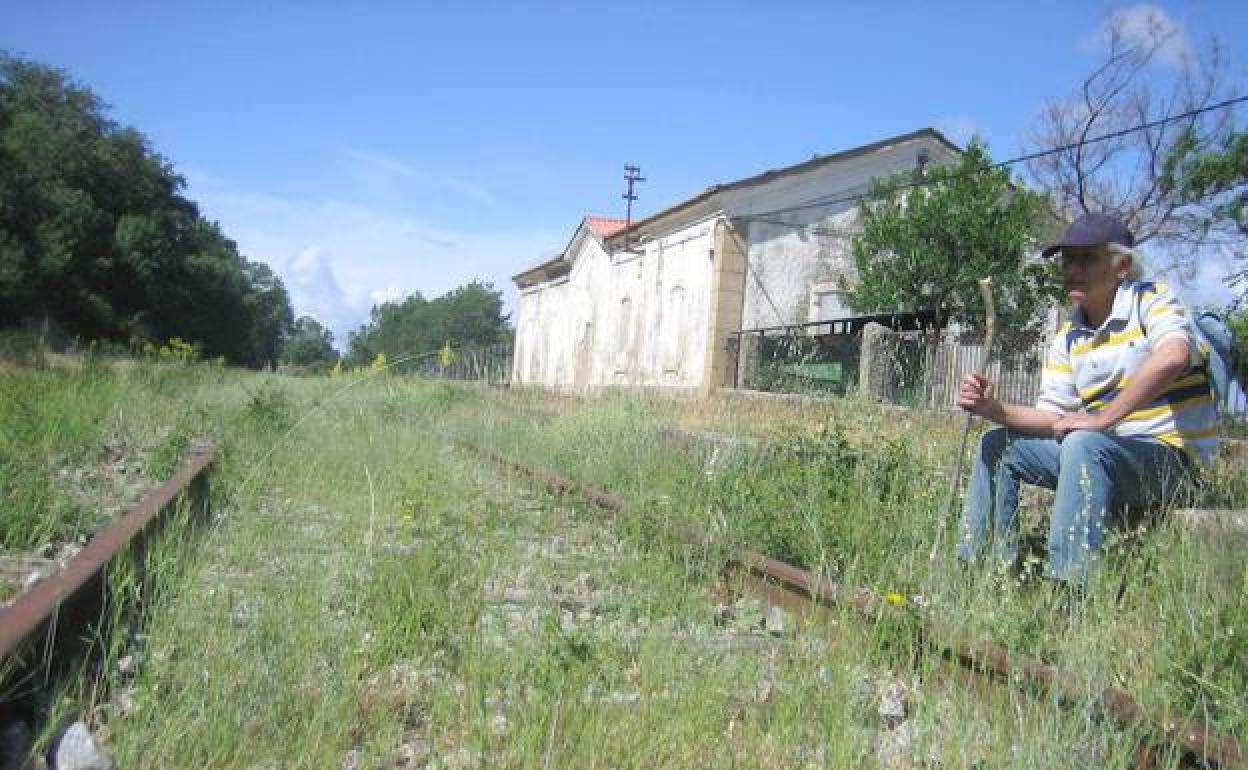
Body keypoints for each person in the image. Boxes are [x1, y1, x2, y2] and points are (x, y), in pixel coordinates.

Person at [954, 212, 1219, 590]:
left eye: (1087, 259)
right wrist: (993, 410)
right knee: (997, 444)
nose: (1073, 270)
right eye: (1068, 260)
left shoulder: (1151, 301)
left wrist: (1103, 418)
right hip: (1102, 452)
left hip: (1171, 461)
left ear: (1122, 265)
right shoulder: (1068, 336)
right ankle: (986, 571)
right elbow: (1053, 417)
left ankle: (1068, 587)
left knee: (1084, 442)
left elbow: (1174, 355)